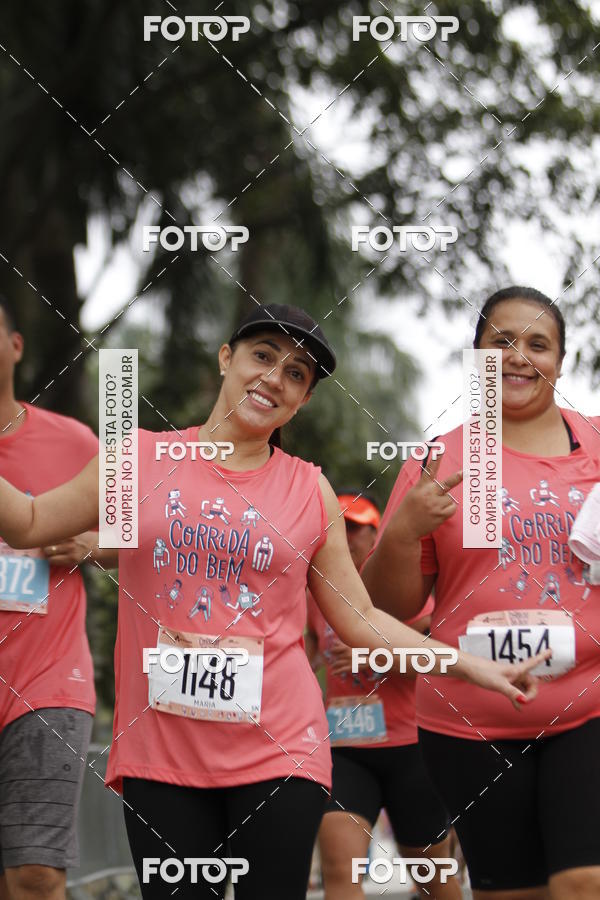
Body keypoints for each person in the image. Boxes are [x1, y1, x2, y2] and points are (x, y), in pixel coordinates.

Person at [0, 303, 548, 900]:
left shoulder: (308, 490)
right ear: (226, 359)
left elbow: (360, 620)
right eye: (263, 356)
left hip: (280, 749)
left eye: (296, 374)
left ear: (302, 400)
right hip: (160, 752)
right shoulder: (138, 459)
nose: (274, 378)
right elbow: (28, 522)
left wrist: (467, 663)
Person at [363, 286, 600, 900]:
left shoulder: (597, 448)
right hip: (470, 724)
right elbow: (388, 608)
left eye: (538, 344)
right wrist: (400, 536)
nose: (519, 356)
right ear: (477, 357)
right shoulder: (438, 460)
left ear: (560, 362)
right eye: (502, 341)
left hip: (588, 706)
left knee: (582, 881)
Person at [0, 297, 115, 900]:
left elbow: (144, 539)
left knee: (36, 873)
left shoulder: (75, 442)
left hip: (47, 682)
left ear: (16, 346)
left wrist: (92, 544)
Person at [306, 491, 461, 900]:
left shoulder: (402, 589)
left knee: (432, 877)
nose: (348, 536)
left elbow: (437, 659)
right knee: (341, 870)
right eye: (340, 526)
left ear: (376, 534)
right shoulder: (313, 592)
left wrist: (370, 649)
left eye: (358, 527)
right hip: (346, 748)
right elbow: (302, 658)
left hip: (412, 747)